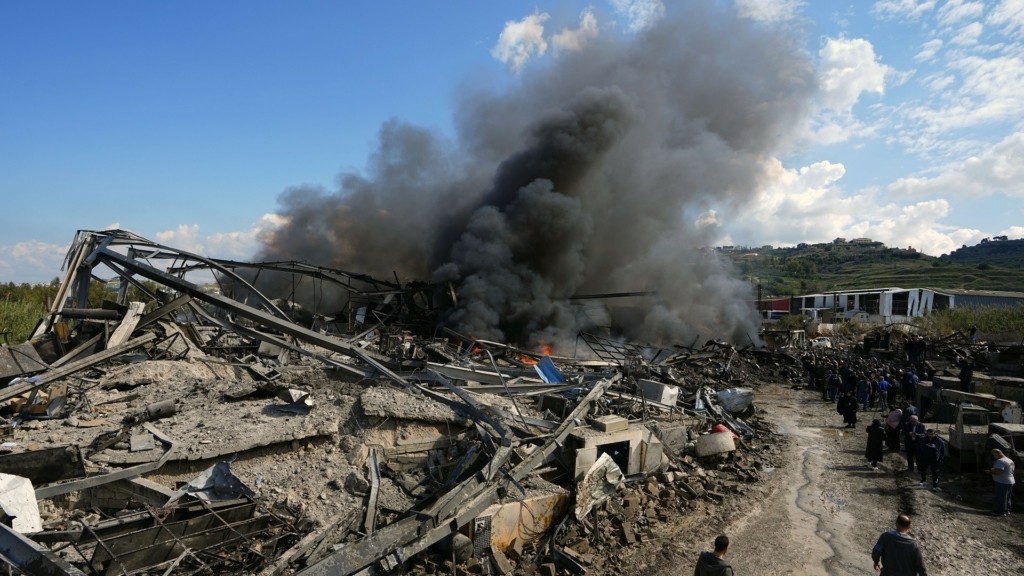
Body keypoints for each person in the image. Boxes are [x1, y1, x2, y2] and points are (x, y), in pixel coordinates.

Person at [987, 448, 1016, 516]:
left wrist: (990, 471)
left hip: (1002, 482)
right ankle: (1007, 510)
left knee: (1001, 497)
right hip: (1010, 481)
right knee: (1007, 497)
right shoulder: (1009, 460)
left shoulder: (1000, 461)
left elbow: (999, 472)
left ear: (998, 454)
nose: (994, 457)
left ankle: (1000, 512)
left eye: (994, 455)